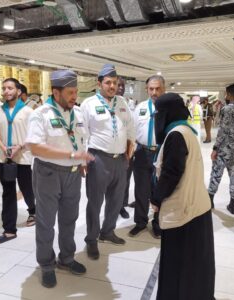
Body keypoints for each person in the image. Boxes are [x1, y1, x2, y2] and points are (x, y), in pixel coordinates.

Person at [26, 70, 93, 288]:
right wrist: (72, 155)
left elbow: (81, 140)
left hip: (73, 174)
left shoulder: (79, 113)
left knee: (69, 219)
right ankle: (46, 264)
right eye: (70, 92)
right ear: (56, 92)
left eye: (76, 92)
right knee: (46, 222)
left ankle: (67, 258)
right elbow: (35, 147)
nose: (75, 96)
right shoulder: (41, 114)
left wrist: (80, 161)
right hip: (48, 173)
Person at [151, 93, 215, 300]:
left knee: (179, 264)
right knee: (195, 264)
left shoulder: (176, 135)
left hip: (184, 212)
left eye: (159, 112)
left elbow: (171, 173)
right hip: (197, 207)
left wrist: (156, 198)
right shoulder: (186, 130)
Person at [81, 64, 135, 260]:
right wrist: (83, 159)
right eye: (108, 83)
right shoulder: (88, 104)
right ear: (99, 83)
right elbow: (82, 133)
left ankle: (108, 231)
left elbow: (130, 127)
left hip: (120, 159)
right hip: (98, 159)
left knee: (116, 199)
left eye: (115, 82)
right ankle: (92, 239)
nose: (112, 86)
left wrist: (130, 149)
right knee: (95, 202)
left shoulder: (122, 102)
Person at [0, 78, 36, 245]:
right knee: (8, 193)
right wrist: (4, 148)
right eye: (4, 88)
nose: (6, 91)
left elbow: (33, 137)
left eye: (10, 88)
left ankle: (33, 211)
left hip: (23, 158)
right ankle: (9, 230)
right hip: (5, 159)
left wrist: (19, 147)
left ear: (18, 91)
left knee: (27, 188)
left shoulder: (29, 112)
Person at [128, 75, 165, 239]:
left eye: (158, 88)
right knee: (141, 190)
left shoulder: (169, 108)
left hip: (161, 153)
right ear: (147, 89)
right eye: (151, 89)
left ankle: (157, 224)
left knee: (159, 191)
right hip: (142, 153)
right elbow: (133, 131)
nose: (154, 92)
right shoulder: (140, 107)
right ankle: (141, 222)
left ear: (164, 88)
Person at [208, 84, 234, 214]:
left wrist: (215, 148)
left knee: (216, 174)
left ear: (229, 94)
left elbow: (223, 131)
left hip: (224, 149)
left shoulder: (226, 109)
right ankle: (233, 204)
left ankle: (210, 201)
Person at [117, 77, 131, 219]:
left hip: (126, 151)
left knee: (124, 181)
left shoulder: (126, 104)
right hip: (106, 153)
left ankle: (122, 206)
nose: (120, 88)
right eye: (118, 85)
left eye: (123, 85)